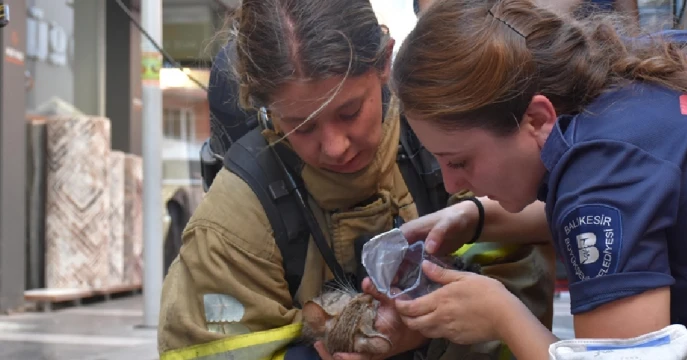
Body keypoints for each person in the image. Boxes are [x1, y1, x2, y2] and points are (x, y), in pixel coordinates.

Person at [157, 0, 557, 359]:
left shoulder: (450, 151)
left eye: (349, 112)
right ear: (267, 109)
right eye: (301, 126)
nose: (334, 147)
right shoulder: (232, 224)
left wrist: (429, 329)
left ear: (385, 62)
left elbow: (520, 284)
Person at [386, 0, 687, 359]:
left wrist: (501, 315)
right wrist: (473, 218)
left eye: (460, 161)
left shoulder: (600, 171)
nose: (452, 185)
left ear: (535, 118)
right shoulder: (646, 61)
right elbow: (628, 217)